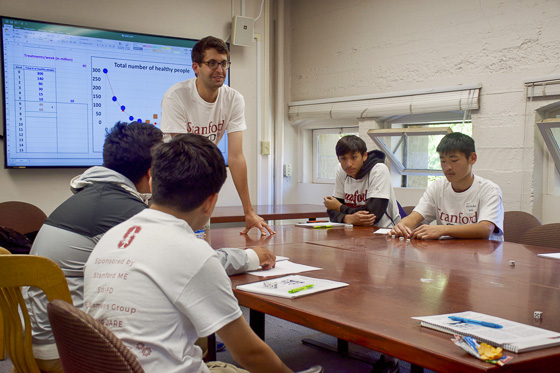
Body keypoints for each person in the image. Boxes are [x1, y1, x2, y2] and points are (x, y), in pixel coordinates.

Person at [25, 122, 274, 372]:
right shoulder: (124, 215)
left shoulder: (91, 198)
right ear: (151, 173)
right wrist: (250, 257)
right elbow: (191, 261)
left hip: (49, 335)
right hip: (79, 353)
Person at [84, 134, 292, 372]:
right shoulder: (194, 253)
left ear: (152, 181)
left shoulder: (111, 237)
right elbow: (250, 353)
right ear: (210, 203)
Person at [161, 35, 274, 236]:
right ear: (196, 67)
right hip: (171, 179)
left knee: (201, 245)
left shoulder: (233, 99)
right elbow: (184, 155)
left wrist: (248, 211)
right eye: (212, 63)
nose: (219, 70)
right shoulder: (176, 96)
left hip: (201, 183)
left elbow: (236, 157)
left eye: (223, 63)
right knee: (172, 244)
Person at [389, 132, 504, 240]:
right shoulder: (438, 187)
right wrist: (402, 225)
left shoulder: (489, 190)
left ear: (472, 158)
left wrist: (443, 229)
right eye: (443, 161)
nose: (447, 167)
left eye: (454, 160)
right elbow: (415, 217)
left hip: (483, 255)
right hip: (447, 253)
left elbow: (485, 229)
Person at [323, 135, 401, 227]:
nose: (348, 164)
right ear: (338, 159)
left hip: (383, 231)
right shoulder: (342, 170)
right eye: (343, 158)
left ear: (364, 156)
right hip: (353, 230)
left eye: (353, 157)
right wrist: (348, 218)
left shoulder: (379, 170)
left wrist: (339, 207)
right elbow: (332, 210)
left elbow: (373, 216)